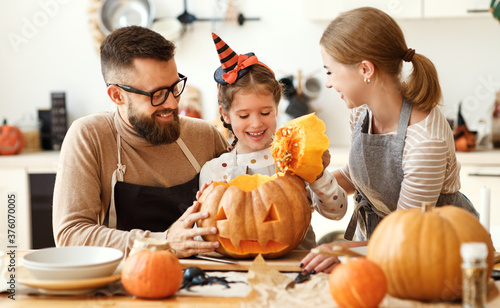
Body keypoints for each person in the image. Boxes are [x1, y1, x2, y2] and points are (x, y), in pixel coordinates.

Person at [300, 7, 478, 273]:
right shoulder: (361, 112)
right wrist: (305, 187)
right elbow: (362, 176)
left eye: (330, 71)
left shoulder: (425, 138)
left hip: (435, 251)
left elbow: (408, 231)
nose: (328, 83)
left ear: (365, 70)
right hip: (378, 244)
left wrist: (340, 249)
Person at [52, 26, 229, 258]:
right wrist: (163, 242)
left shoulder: (206, 136)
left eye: (175, 87)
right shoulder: (90, 137)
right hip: (126, 279)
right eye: (157, 94)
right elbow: (70, 235)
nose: (173, 104)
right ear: (117, 95)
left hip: (205, 276)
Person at [198, 33, 348, 250]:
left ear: (277, 107)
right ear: (225, 114)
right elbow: (207, 233)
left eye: (265, 112)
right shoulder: (214, 171)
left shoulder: (296, 160)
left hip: (297, 266)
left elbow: (337, 212)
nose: (256, 123)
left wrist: (318, 175)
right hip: (234, 273)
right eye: (243, 116)